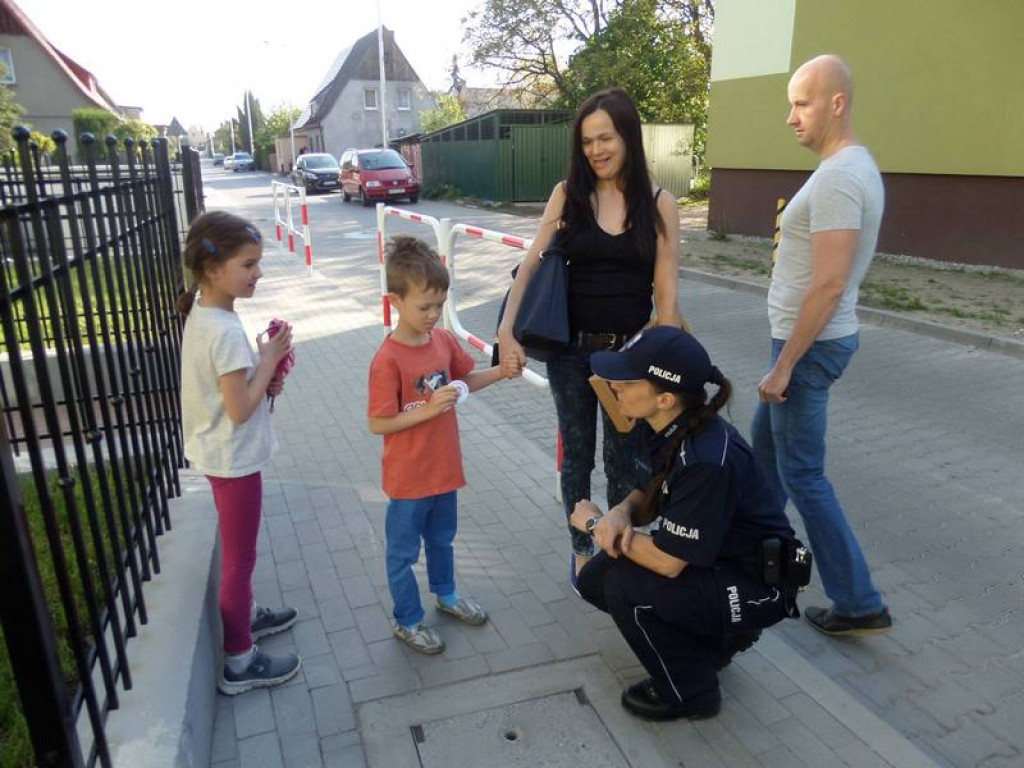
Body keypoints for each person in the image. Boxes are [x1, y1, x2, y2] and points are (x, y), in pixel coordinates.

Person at [497, 88, 680, 588]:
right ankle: (581, 549)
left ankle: (619, 549)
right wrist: (505, 329)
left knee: (625, 463)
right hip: (571, 353)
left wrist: (670, 360)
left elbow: (666, 299)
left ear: (628, 137)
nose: (596, 150)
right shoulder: (569, 195)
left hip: (628, 360)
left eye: (606, 138)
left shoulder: (660, 204)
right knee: (576, 455)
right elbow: (530, 265)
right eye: (587, 141)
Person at [572, 326, 805, 721]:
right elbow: (646, 496)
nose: (614, 386)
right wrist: (620, 512)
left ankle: (692, 693)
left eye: (626, 381)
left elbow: (668, 562)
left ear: (664, 397)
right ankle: (710, 642)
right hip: (717, 562)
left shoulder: (705, 461)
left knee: (627, 587)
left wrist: (596, 525)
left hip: (758, 585)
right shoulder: (664, 427)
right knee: (596, 579)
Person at [751, 55, 891, 636]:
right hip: (802, 347)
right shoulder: (844, 168)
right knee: (763, 461)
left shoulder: (839, 178)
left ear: (836, 103)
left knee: (803, 475)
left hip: (806, 351)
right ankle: (751, 563)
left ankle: (859, 602)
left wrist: (785, 364)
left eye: (802, 103)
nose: (791, 117)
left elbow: (830, 283)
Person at [368, 236, 520, 654]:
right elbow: (378, 422)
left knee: (442, 540)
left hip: (443, 470)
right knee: (402, 554)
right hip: (407, 480)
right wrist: (430, 408)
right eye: (425, 307)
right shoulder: (388, 359)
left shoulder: (443, 341)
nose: (434, 315)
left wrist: (501, 372)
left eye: (440, 304)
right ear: (396, 300)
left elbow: (463, 383)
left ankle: (447, 596)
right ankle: (408, 620)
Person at [178, 211, 301, 695]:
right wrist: (268, 358)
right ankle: (239, 659)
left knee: (239, 555)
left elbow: (239, 392)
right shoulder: (224, 331)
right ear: (213, 270)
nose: (259, 274)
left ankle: (245, 615)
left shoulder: (209, 315)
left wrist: (264, 374)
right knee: (240, 559)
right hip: (232, 459)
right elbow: (239, 409)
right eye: (248, 265)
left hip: (220, 452)